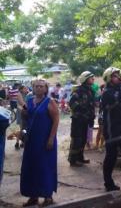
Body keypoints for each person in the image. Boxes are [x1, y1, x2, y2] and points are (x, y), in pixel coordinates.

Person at [20, 79, 59, 207]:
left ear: (46, 89)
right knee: (31, 167)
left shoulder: (50, 102)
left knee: (45, 168)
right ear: (33, 88)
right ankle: (33, 196)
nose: (39, 88)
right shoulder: (30, 101)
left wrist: (51, 139)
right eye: (36, 86)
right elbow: (28, 116)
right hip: (31, 140)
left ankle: (48, 197)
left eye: (41, 86)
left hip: (45, 140)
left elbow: (56, 120)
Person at [68, 71, 95, 167]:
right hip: (78, 120)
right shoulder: (78, 90)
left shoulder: (90, 90)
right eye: (91, 77)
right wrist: (82, 109)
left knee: (83, 139)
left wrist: (91, 115)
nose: (93, 79)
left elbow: (92, 104)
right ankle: (73, 160)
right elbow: (71, 103)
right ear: (85, 79)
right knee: (77, 139)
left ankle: (80, 158)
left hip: (87, 120)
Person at [15, 85, 29, 149]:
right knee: (22, 129)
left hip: (24, 113)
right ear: (21, 89)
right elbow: (22, 103)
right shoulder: (19, 94)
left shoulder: (26, 94)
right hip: (21, 113)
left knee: (24, 129)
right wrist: (27, 109)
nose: (26, 89)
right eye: (25, 88)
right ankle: (17, 143)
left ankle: (22, 143)